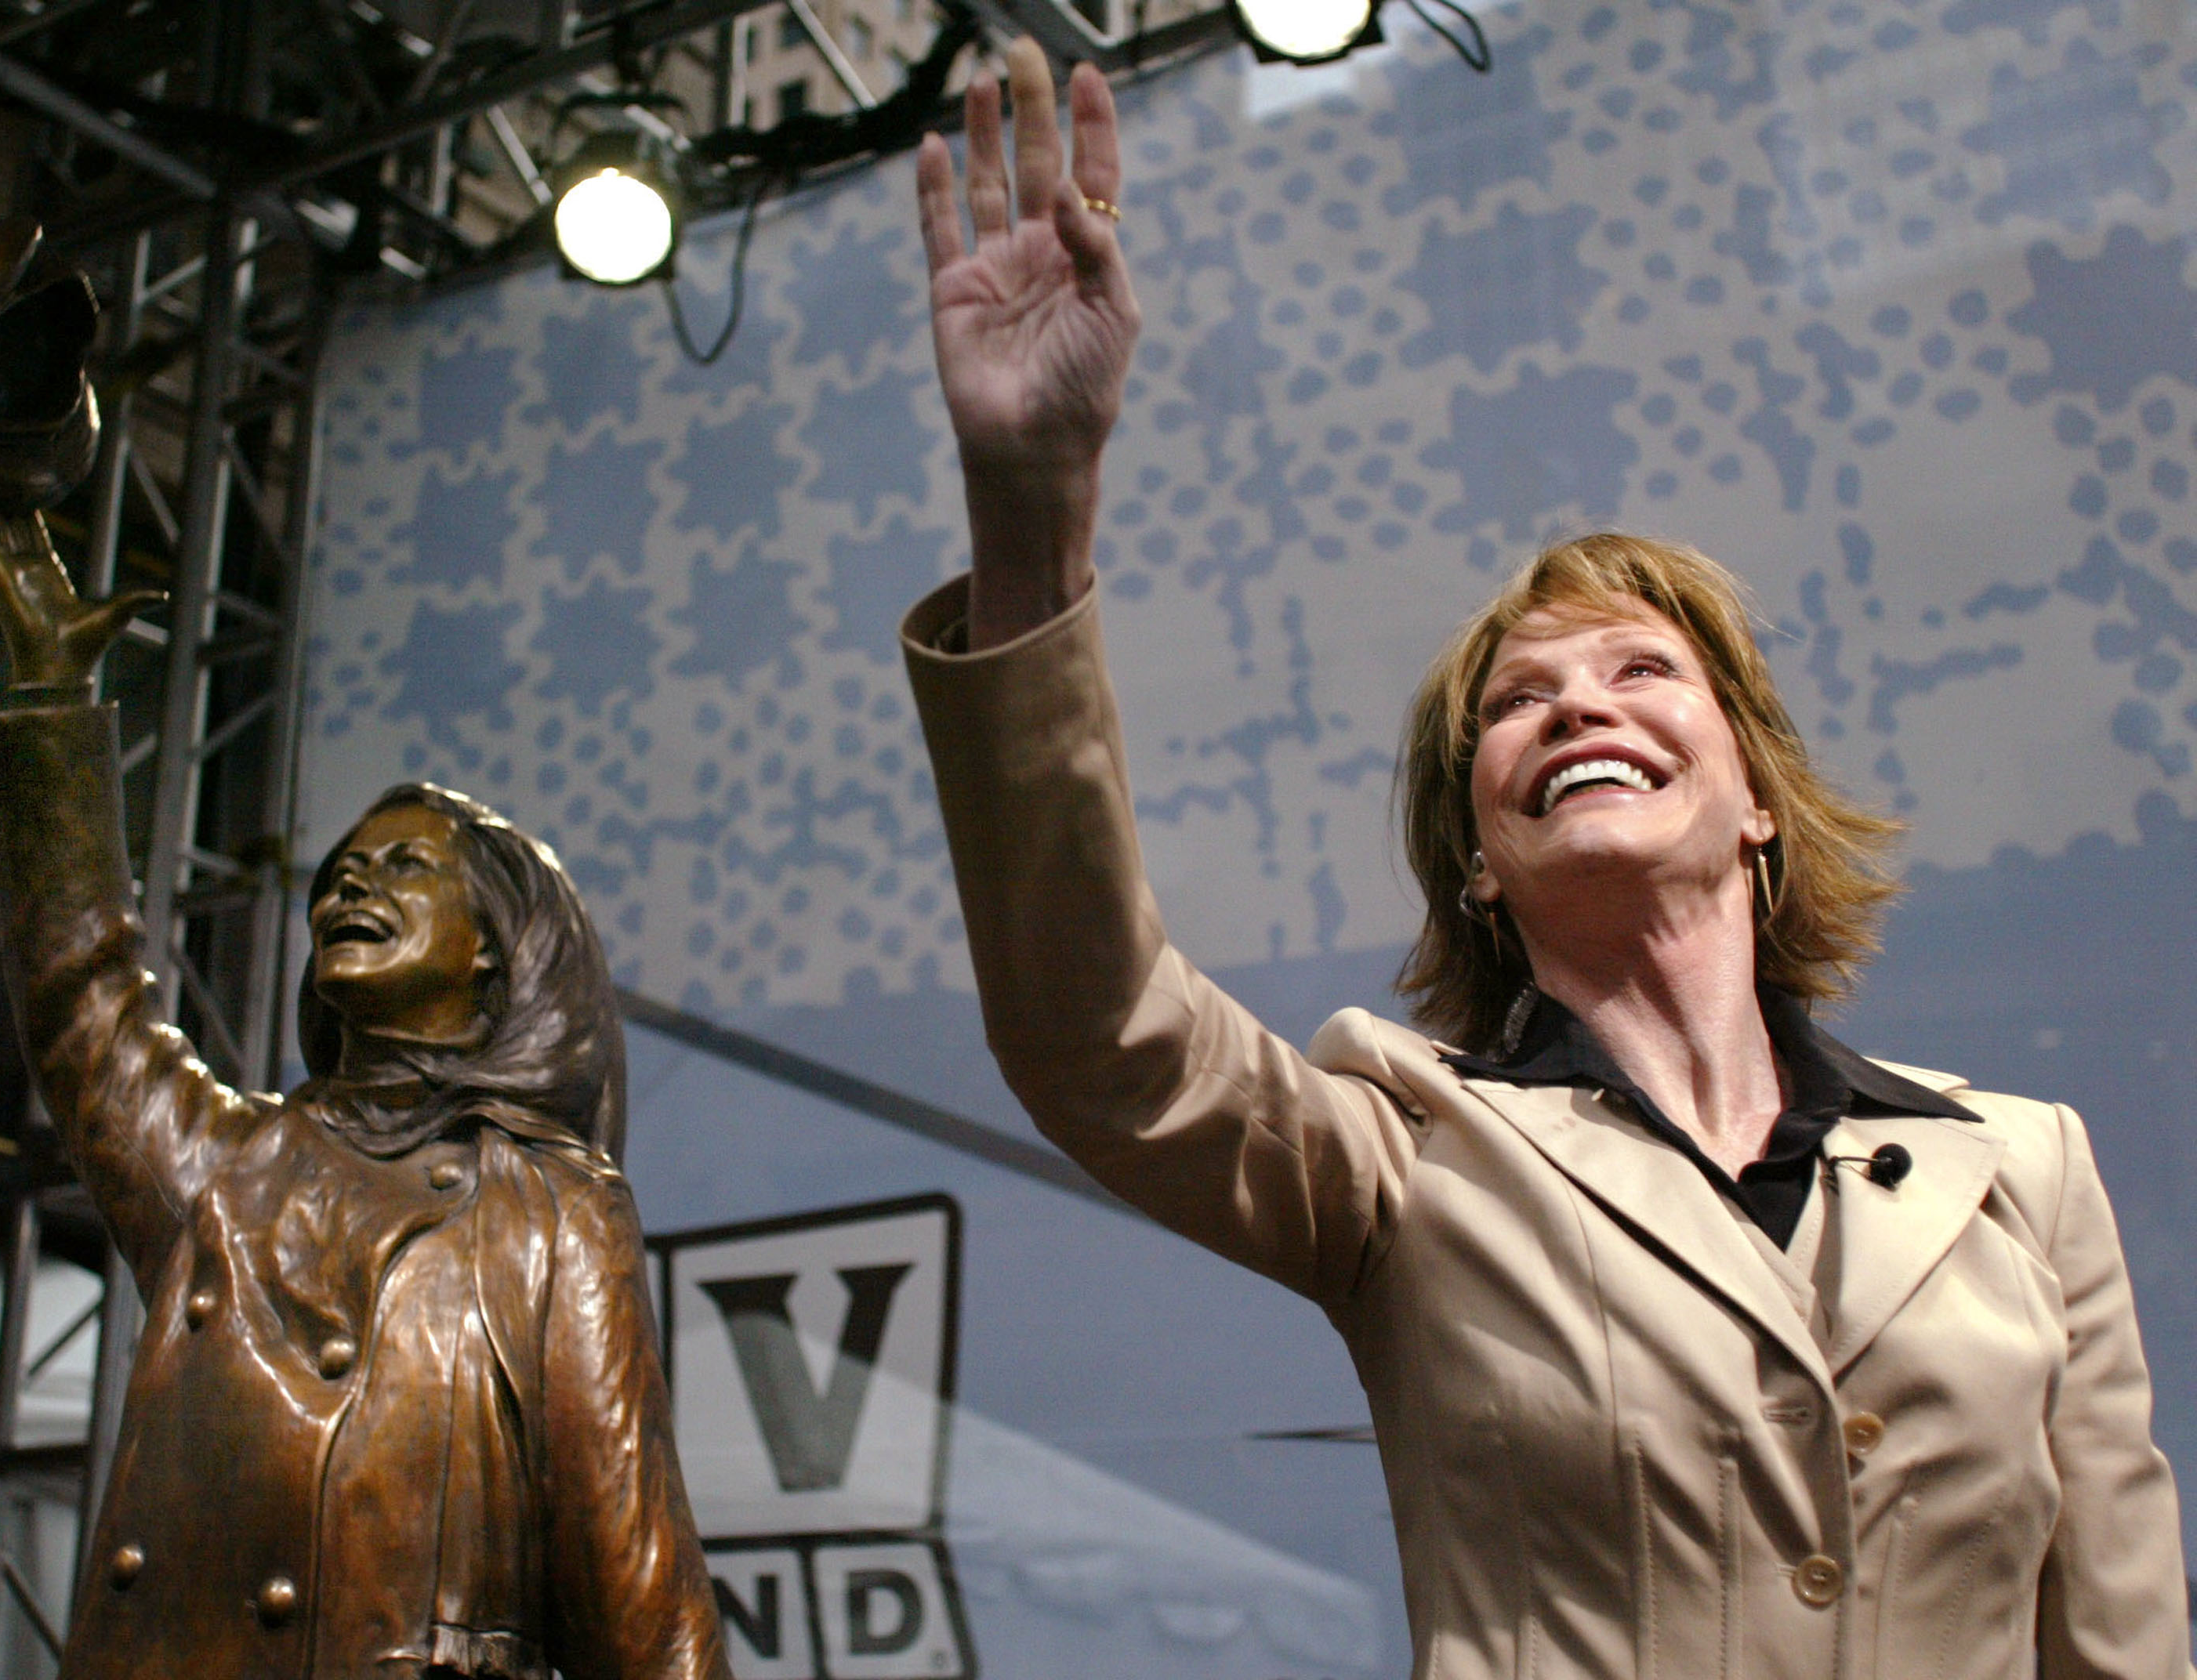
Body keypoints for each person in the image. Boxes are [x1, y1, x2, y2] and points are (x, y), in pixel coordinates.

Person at [901, 38, 2192, 1678]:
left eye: (1643, 671)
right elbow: (1095, 1031)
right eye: (1519, 702)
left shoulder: (2025, 1170)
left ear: (1757, 801)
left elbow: (2124, 1640)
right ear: (1485, 863)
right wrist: (1034, 519)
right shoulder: (1404, 1151)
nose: (1579, 701)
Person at [0, 510, 727, 1680]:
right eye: (339, 875)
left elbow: (643, 1597)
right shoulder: (229, 1168)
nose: (352, 885)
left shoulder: (551, 1210)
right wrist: (56, 706)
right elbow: (85, 1002)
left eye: (406, 866)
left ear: (495, 946)